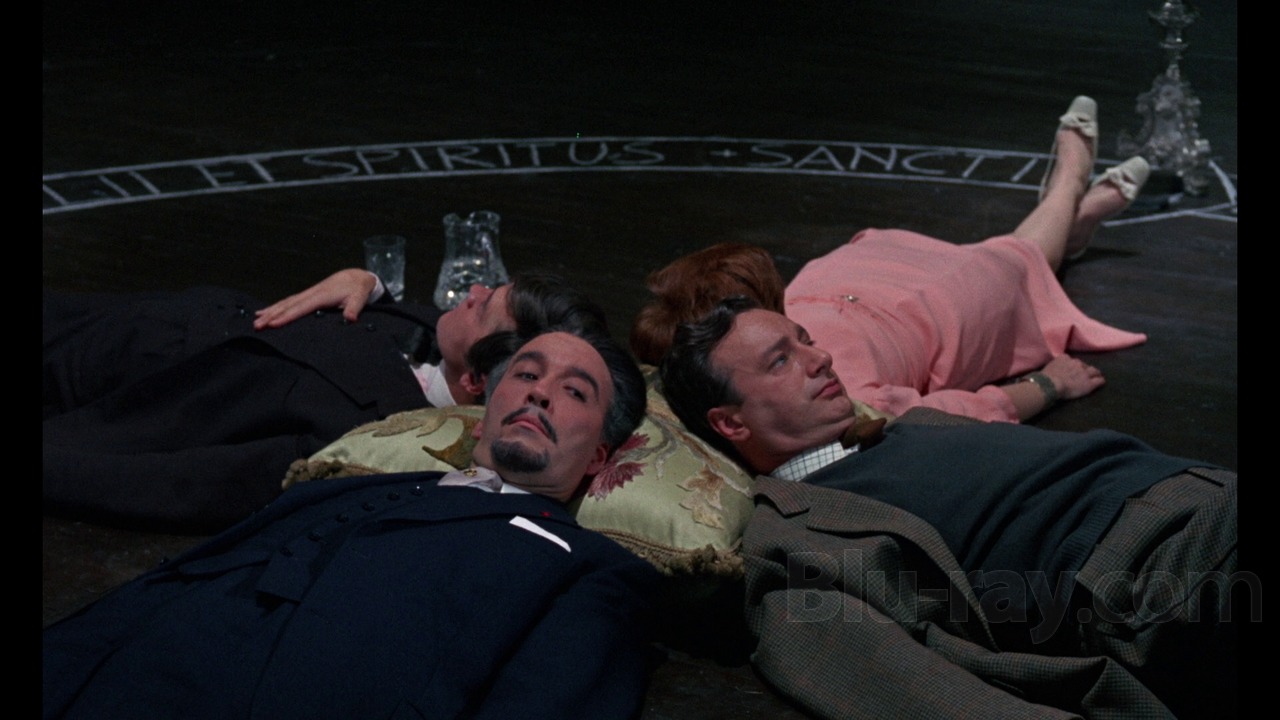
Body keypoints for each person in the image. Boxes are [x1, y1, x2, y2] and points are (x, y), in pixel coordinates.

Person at [658, 298, 1241, 720]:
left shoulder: (909, 425)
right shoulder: (791, 540)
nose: (821, 358)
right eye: (780, 361)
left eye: (806, 339)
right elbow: (895, 685)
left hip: (1201, 497)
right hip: (1155, 570)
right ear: (731, 423)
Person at [43, 327, 659, 720]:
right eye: (525, 374)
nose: (539, 393)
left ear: (600, 457)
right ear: (486, 406)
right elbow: (179, 580)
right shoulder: (356, 484)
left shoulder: (592, 569)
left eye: (575, 392)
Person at [632, 95, 1152, 423]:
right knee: (1007, 264)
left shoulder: (729, 324)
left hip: (851, 280)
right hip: (937, 319)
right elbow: (952, 413)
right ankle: (1067, 188)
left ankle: (1070, 222)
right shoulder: (835, 396)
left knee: (1006, 257)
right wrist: (1048, 385)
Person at [43, 267, 609, 532]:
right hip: (142, 318)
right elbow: (409, 317)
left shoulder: (360, 429)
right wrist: (367, 281)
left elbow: (188, 484)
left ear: (479, 381)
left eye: (481, 307)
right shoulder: (435, 342)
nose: (472, 292)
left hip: (106, 380)